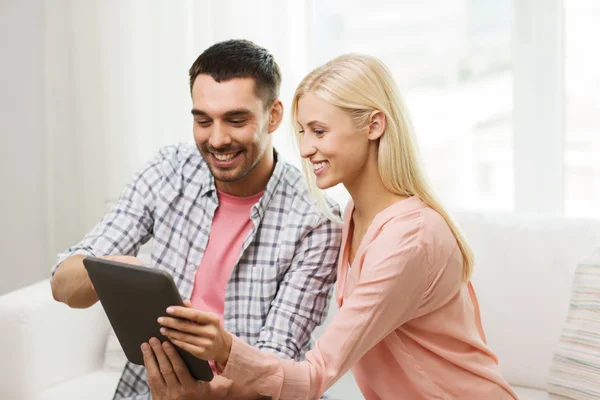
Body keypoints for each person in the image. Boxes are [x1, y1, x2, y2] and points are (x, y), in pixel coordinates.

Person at [154, 54, 520, 399]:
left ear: (374, 126)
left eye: (319, 131)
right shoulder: (353, 216)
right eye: (301, 132)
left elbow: (315, 375)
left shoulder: (410, 238)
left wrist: (224, 348)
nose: (306, 148)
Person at [50, 39, 342, 400]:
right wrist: (109, 270)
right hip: (154, 389)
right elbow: (62, 284)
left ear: (274, 116)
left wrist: (202, 395)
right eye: (203, 120)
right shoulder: (170, 170)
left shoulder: (317, 221)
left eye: (236, 120)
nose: (217, 140)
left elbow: (275, 371)